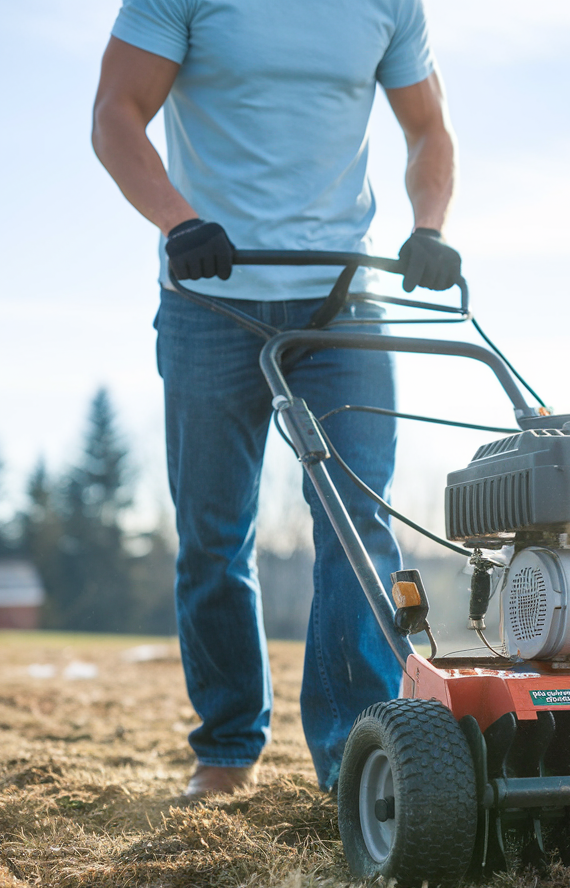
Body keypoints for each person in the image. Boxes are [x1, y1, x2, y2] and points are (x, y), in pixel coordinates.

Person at [92, 0, 461, 799]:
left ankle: (356, 761)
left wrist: (427, 225)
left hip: (343, 300)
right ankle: (225, 751)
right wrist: (177, 221)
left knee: (357, 521)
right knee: (214, 534)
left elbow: (428, 129)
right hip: (209, 295)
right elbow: (116, 113)